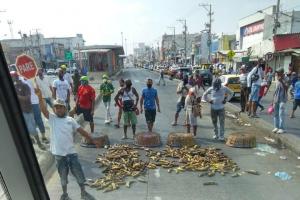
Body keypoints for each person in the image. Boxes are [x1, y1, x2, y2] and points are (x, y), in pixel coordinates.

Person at [37, 90, 98, 200]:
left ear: (65, 108)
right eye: (56, 107)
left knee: (79, 173)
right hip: (59, 156)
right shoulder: (52, 119)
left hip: (71, 153)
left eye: (61, 107)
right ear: (54, 109)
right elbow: (43, 109)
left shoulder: (70, 120)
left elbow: (81, 131)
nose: (58, 109)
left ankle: (83, 193)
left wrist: (92, 140)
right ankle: (65, 194)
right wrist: (40, 96)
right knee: (63, 176)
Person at [10, 71, 46, 150]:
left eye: (13, 77)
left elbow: (27, 98)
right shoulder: (13, 87)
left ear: (16, 77)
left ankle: (39, 143)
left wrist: (16, 96)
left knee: (32, 126)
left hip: (27, 110)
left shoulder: (25, 86)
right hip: (19, 111)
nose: (12, 79)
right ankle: (32, 139)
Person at [22, 77, 49, 145]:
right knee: (28, 121)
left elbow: (38, 89)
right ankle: (32, 137)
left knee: (38, 120)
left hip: (34, 103)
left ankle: (43, 136)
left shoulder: (32, 77)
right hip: (25, 105)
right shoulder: (19, 79)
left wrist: (36, 85)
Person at [272, 68, 288, 134]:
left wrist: (281, 81)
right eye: (277, 72)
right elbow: (275, 89)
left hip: (282, 98)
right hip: (276, 98)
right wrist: (272, 99)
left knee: (281, 113)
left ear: (282, 72)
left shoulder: (286, 78)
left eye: (278, 72)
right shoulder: (276, 78)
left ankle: (282, 128)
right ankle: (276, 127)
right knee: (275, 113)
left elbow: (286, 88)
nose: (277, 73)